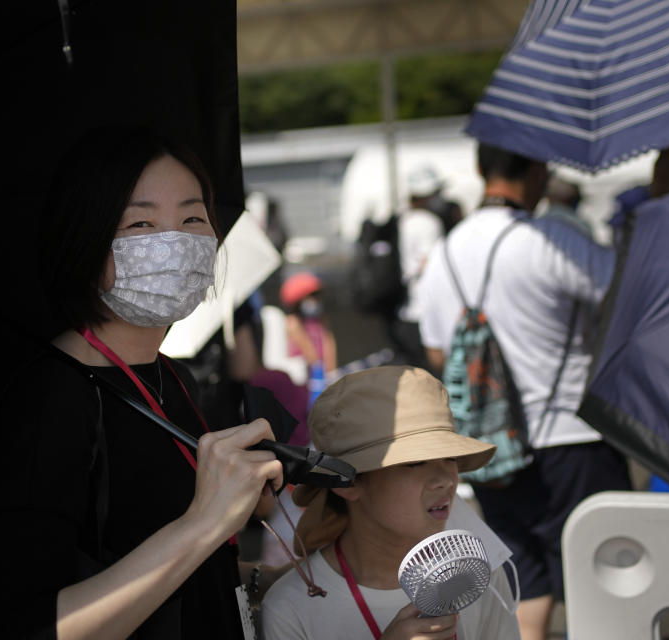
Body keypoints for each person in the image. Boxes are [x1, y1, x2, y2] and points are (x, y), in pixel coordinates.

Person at [0, 126, 283, 639]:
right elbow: (28, 624)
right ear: (85, 239)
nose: (173, 242)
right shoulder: (53, 400)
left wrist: (285, 580)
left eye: (193, 217)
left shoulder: (172, 376)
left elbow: (177, 575)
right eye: (141, 224)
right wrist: (206, 521)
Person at [415, 143, 632, 640]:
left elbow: (435, 355)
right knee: (609, 585)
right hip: (573, 442)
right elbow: (627, 298)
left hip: (492, 453)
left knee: (526, 586)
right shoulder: (552, 237)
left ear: (479, 169)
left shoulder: (444, 252)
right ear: (538, 169)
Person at [261, 366, 520, 640]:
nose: (446, 479)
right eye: (415, 462)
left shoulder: (478, 577)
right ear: (349, 484)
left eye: (451, 458)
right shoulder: (292, 608)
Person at [387, 166, 447, 373]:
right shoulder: (427, 223)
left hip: (405, 311)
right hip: (425, 312)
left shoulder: (403, 219)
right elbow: (429, 262)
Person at [280, 271, 338, 385]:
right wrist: (320, 373)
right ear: (297, 301)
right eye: (310, 298)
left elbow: (329, 348)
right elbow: (309, 353)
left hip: (324, 378)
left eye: (316, 297)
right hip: (303, 380)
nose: (315, 301)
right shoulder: (293, 322)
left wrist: (332, 373)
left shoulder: (320, 321)